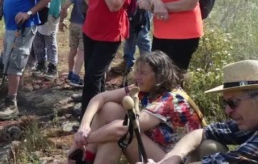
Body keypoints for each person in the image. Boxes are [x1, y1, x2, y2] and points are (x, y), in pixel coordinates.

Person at [145, 60, 258, 164]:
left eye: (233, 103)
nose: (227, 110)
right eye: (225, 102)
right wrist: (173, 158)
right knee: (209, 145)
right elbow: (202, 132)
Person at [69, 51, 203, 163]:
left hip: (172, 159)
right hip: (157, 148)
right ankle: (86, 158)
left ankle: (83, 156)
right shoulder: (145, 88)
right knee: (109, 109)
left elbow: (125, 130)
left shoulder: (172, 99)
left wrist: (84, 140)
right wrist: (84, 127)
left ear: (159, 77)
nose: (137, 77)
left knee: (122, 135)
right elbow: (101, 97)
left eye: (143, 73)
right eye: (137, 71)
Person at [80, 0, 133, 116]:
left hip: (109, 33)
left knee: (92, 78)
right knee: (94, 76)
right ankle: (99, 113)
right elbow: (88, 1)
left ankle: (87, 117)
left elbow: (115, 6)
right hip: (91, 30)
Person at [30, 0, 83, 81]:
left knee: (50, 41)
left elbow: (65, 7)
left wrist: (62, 20)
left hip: (53, 17)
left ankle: (52, 67)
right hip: (40, 12)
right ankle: (40, 64)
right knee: (38, 39)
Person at [60, 0, 86, 88]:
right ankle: (75, 77)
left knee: (72, 50)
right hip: (85, 26)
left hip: (73, 25)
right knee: (81, 52)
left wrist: (61, 21)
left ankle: (70, 72)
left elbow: (65, 7)